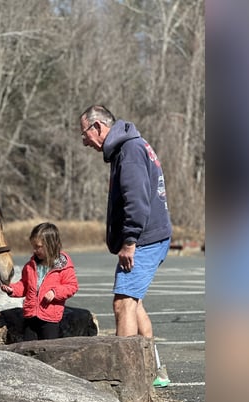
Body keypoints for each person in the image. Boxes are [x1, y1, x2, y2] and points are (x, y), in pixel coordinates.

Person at [79, 105, 172, 387]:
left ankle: (126, 379)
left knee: (123, 304)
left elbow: (137, 200)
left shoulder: (129, 151)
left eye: (84, 133)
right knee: (134, 302)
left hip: (143, 238)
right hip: (150, 235)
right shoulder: (129, 146)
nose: (84, 141)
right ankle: (156, 372)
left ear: (98, 126)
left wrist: (130, 241)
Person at [0, 222, 79, 340]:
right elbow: (24, 285)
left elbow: (72, 286)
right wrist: (13, 289)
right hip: (30, 315)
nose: (35, 250)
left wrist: (54, 292)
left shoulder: (63, 266)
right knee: (28, 347)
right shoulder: (30, 266)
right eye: (33, 247)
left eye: (38, 247)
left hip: (50, 317)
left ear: (51, 245)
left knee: (49, 348)